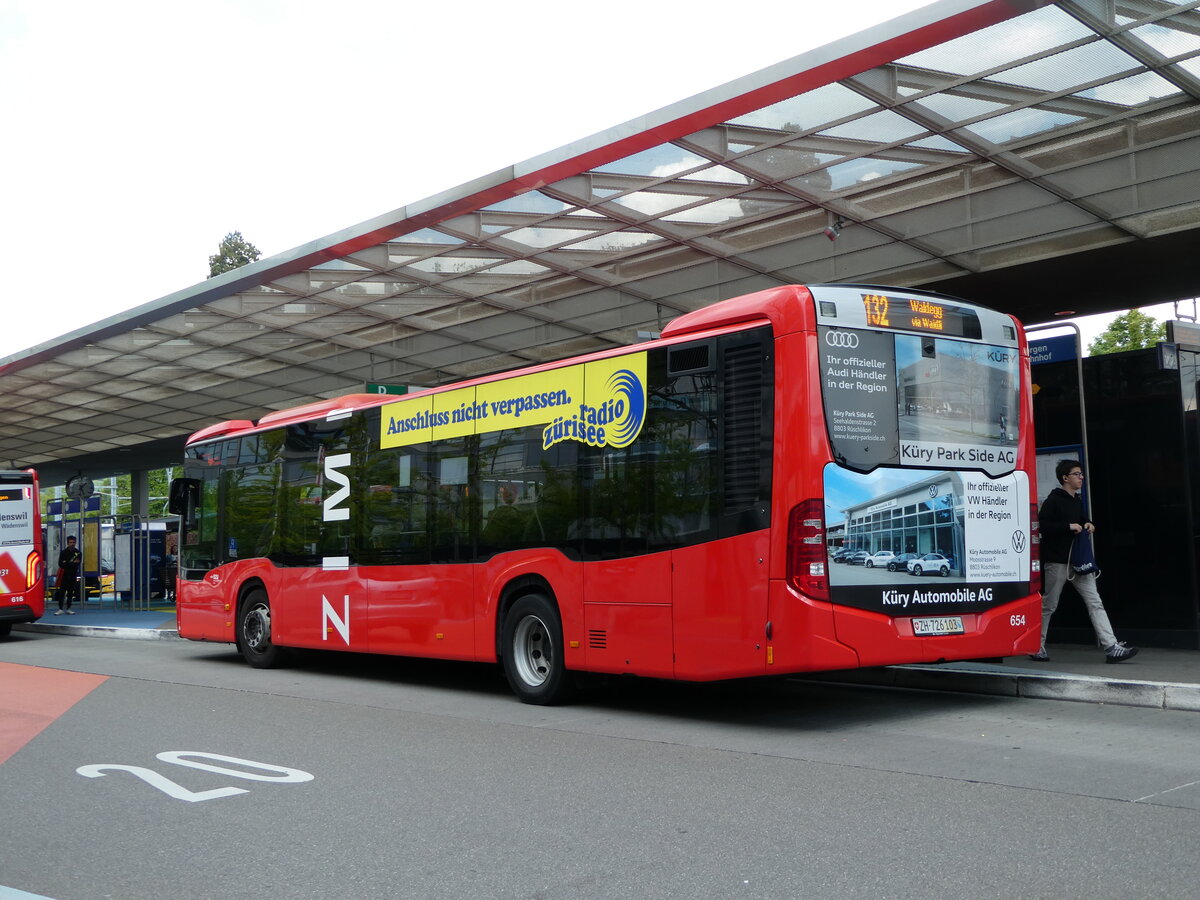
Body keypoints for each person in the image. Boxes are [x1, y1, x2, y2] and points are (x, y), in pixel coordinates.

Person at [1031, 460, 1137, 663]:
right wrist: (1068, 526)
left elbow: (1083, 519)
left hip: (1078, 562)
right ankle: (1036, 646)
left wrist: (1088, 523)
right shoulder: (1053, 500)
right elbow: (1042, 527)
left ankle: (1111, 646)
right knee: (1049, 605)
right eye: (1077, 474)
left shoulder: (1076, 500)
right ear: (1065, 478)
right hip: (1058, 561)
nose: (1081, 477)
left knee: (1095, 601)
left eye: (1081, 474)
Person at [53, 535, 82, 616]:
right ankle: (60, 609)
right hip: (64, 575)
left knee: (70, 593)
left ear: (75, 543)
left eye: (73, 542)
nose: (72, 544)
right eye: (70, 542)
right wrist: (71, 563)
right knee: (62, 592)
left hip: (73, 575)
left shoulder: (78, 552)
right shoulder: (63, 552)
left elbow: (77, 563)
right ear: (67, 543)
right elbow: (60, 564)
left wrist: (67, 562)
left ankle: (69, 608)